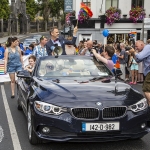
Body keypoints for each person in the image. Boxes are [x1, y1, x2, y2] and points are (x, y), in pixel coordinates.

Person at [128, 40, 150, 106]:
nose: (136, 48)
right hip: (147, 72)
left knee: (146, 90)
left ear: (142, 45)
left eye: (137, 46)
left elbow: (139, 57)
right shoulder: (145, 50)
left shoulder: (147, 47)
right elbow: (138, 60)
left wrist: (134, 52)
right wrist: (133, 53)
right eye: (135, 47)